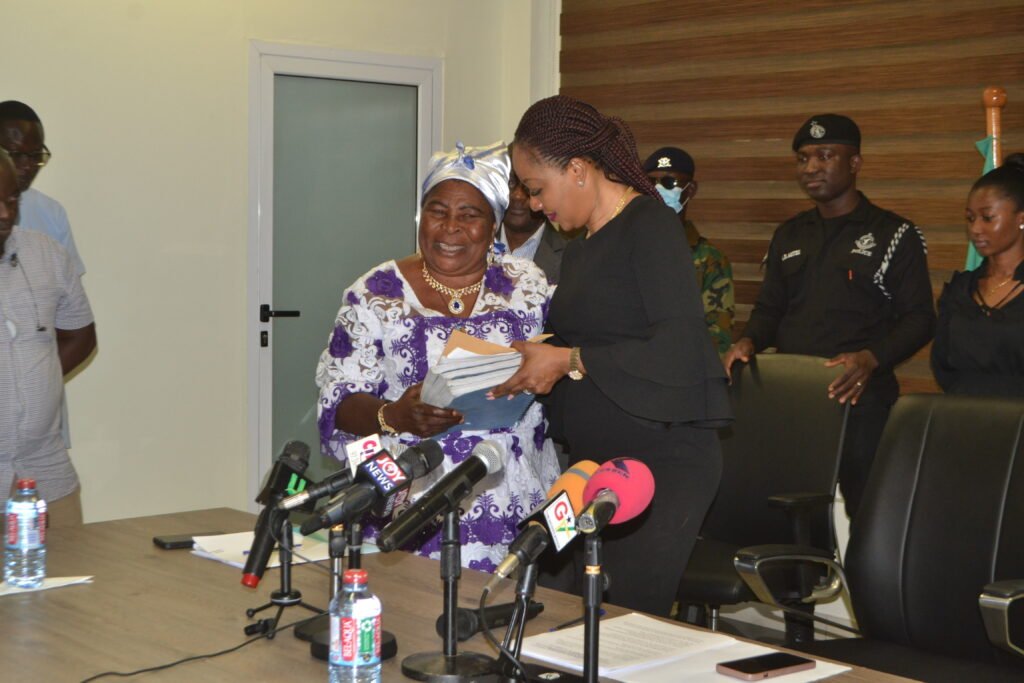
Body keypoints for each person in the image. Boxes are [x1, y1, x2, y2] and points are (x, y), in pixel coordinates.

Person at [491, 95, 732, 617]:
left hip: (660, 465)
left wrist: (569, 360)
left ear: (577, 169)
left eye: (537, 189)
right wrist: (533, 357)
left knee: (619, 620)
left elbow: (679, 346)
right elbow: (599, 334)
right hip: (589, 464)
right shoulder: (579, 247)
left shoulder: (650, 226)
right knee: (547, 589)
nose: (533, 204)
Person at [315, 141, 560, 572]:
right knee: (413, 624)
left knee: (502, 624)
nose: (450, 228)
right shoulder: (374, 292)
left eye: (469, 215)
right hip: (410, 498)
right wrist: (395, 415)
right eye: (437, 210)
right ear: (420, 216)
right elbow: (339, 400)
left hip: (512, 496)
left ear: (494, 223)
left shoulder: (527, 285)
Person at [723, 114, 935, 520]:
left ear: (854, 163)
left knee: (872, 517)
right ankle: (798, 585)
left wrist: (871, 358)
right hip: (795, 402)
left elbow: (921, 318)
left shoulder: (894, 234)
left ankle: (867, 585)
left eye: (825, 156)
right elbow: (770, 309)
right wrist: (749, 340)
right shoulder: (789, 234)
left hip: (861, 402)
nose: (811, 168)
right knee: (792, 515)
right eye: (803, 159)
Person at [0, 150, 96, 523]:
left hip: (45, 477)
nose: (6, 214)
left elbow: (80, 335)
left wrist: (37, 381)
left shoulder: (48, 256)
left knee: (74, 580)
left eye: (12, 200)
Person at [932, 153, 1024, 396]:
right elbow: (943, 366)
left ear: (1021, 219)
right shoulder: (960, 289)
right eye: (970, 218)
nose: (975, 229)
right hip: (964, 422)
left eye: (987, 218)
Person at [643, 147, 734, 353]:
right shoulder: (626, 248)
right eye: (650, 183)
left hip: (682, 373)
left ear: (690, 190)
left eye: (668, 183)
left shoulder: (710, 260)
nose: (657, 190)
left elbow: (717, 338)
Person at [0, 101, 85, 276]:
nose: (28, 166)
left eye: (36, 155)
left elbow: (70, 292)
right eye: (17, 155)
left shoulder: (51, 213)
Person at [499, 163, 570, 284]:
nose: (518, 195)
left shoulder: (570, 257)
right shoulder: (475, 245)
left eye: (528, 187)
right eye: (510, 183)